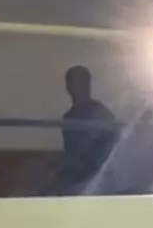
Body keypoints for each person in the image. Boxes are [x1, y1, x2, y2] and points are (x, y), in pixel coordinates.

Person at [50, 65, 120, 195]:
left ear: (88, 85)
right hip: (75, 178)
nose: (78, 87)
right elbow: (71, 154)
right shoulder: (69, 117)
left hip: (96, 180)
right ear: (68, 87)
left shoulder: (101, 114)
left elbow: (106, 153)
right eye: (74, 83)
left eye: (81, 82)